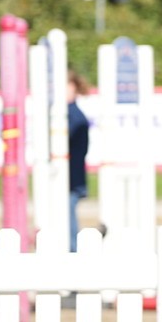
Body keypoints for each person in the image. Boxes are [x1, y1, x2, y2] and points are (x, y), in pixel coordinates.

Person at [68, 71, 91, 252]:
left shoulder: (75, 116)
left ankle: (75, 250)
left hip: (72, 178)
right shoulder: (70, 113)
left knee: (68, 215)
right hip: (70, 177)